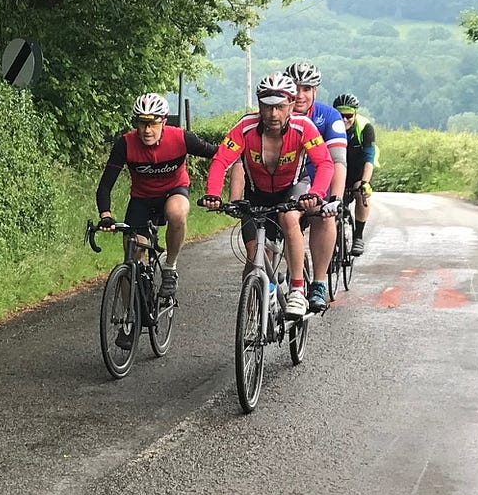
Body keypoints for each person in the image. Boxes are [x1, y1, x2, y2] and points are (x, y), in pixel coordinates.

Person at [202, 73, 332, 319]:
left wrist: (316, 193)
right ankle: (256, 308)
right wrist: (213, 193)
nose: (273, 114)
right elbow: (221, 160)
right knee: (254, 259)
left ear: (291, 105)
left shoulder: (304, 127)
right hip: (257, 194)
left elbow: (325, 163)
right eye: (267, 107)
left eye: (280, 107)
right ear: (259, 105)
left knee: (289, 219)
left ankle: (297, 290)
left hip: (293, 188)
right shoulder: (245, 127)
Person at [94, 94, 220, 303]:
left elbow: (218, 155)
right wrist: (105, 215)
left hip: (174, 191)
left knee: (176, 213)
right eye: (142, 123)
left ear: (164, 121)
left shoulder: (181, 138)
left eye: (152, 124)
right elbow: (105, 185)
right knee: (132, 257)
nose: (147, 130)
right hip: (142, 199)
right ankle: (129, 316)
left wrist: (214, 188)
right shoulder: (125, 144)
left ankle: (170, 267)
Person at [285, 61, 348, 312]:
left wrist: (336, 198)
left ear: (315, 91)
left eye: (306, 89)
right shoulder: (277, 113)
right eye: (295, 88)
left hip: (319, 182)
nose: (300, 95)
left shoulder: (329, 116)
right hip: (288, 182)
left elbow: (338, 161)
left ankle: (319, 283)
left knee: (324, 216)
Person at [333, 93, 376, 255]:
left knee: (362, 192)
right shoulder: (329, 126)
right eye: (340, 116)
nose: (344, 120)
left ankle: (358, 236)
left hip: (357, 172)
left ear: (355, 114)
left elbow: (369, 159)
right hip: (336, 172)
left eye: (348, 116)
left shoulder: (365, 128)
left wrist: (365, 182)